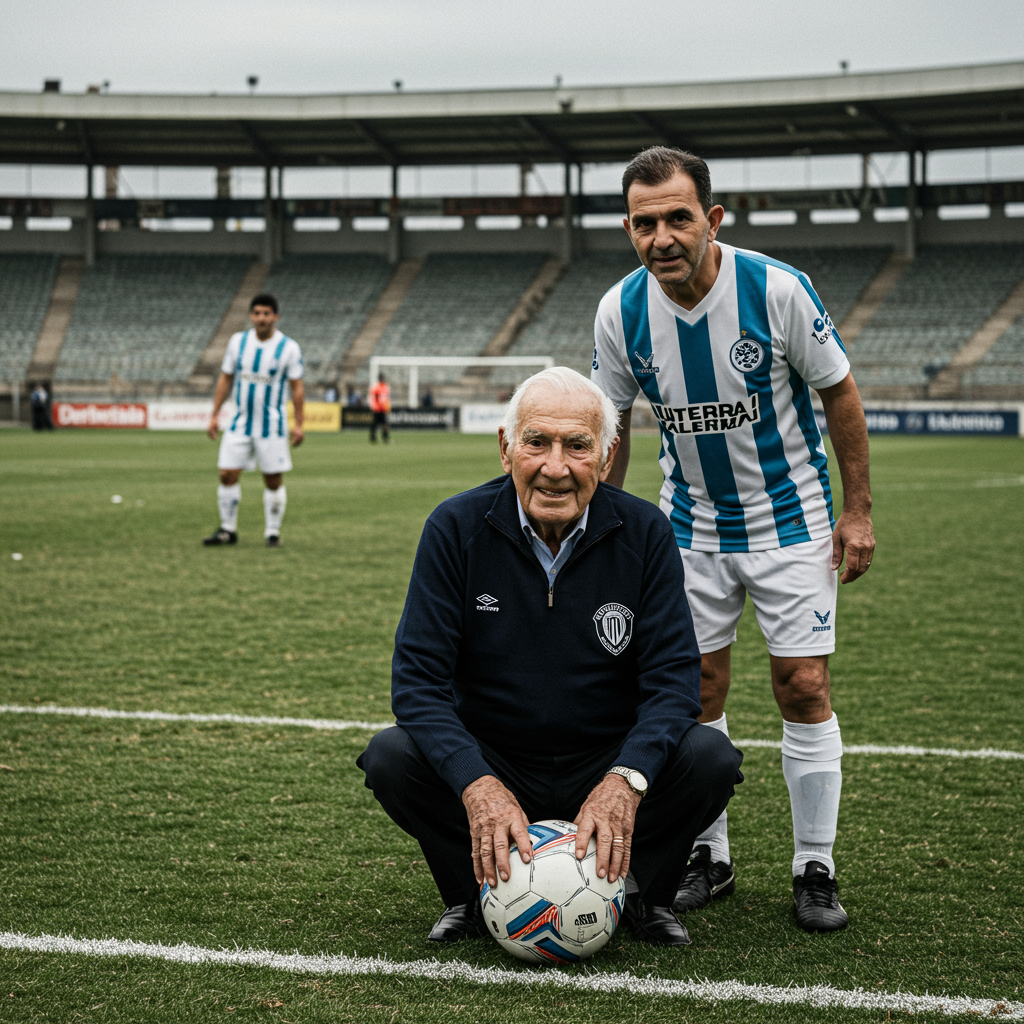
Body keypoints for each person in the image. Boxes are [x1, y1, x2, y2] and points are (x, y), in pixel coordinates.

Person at [591, 146, 875, 932]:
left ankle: (813, 863)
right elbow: (610, 426)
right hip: (688, 529)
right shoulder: (619, 311)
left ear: (712, 219)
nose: (663, 237)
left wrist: (858, 511)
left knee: (804, 686)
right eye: (645, 224)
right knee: (695, 691)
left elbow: (839, 392)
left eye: (679, 218)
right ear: (629, 230)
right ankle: (706, 856)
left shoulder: (775, 289)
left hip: (792, 524)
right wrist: (601, 528)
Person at [358, 367, 743, 947]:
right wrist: (478, 783)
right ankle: (472, 894)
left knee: (710, 757)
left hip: (603, 758)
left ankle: (643, 895)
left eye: (578, 446)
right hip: (497, 758)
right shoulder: (454, 527)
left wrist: (624, 779)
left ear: (608, 455)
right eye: (537, 442)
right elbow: (417, 684)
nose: (555, 467)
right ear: (506, 447)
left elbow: (673, 683)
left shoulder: (645, 532)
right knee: (391, 756)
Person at [203, 293, 304, 548]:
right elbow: (226, 379)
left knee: (272, 480)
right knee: (226, 474)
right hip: (239, 423)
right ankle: (228, 530)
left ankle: (272, 532)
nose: (261, 318)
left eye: (266, 313)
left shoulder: (289, 348)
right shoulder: (238, 342)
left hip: (272, 426)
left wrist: (299, 423)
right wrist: (215, 415)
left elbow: (297, 388)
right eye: (257, 313)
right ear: (251, 316)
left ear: (275, 317)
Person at [368, 372, 391, 442]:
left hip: (383, 409)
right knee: (375, 424)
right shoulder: (376, 388)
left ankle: (385, 438)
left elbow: (387, 399)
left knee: (385, 424)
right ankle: (373, 437)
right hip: (377, 409)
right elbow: (372, 398)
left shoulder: (386, 387)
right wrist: (373, 406)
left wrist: (388, 407)